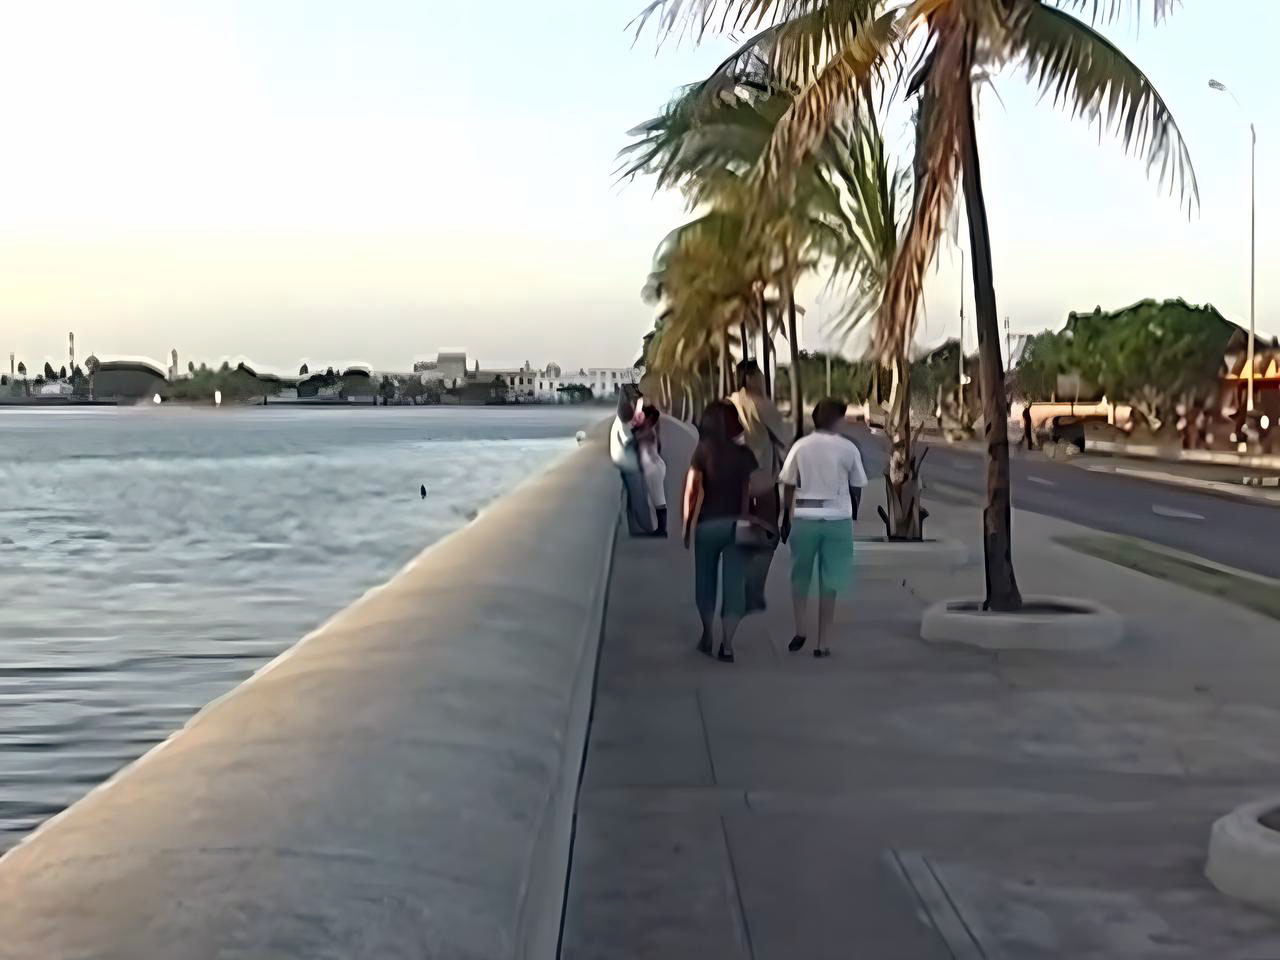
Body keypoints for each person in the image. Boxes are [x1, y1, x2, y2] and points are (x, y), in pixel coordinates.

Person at [779, 398, 868, 658]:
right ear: (837, 420)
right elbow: (857, 485)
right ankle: (823, 642)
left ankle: (800, 629)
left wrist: (786, 516)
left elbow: (788, 483)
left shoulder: (800, 446)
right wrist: (853, 513)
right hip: (837, 519)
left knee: (800, 576)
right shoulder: (848, 448)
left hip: (804, 517)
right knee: (830, 582)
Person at [682, 401, 757, 663]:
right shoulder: (745, 454)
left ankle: (707, 635)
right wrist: (747, 521)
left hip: (707, 525)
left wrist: (686, 525)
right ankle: (727, 644)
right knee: (734, 585)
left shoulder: (702, 451)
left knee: (705, 583)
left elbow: (692, 491)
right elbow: (749, 493)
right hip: (736, 525)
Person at [729, 359, 789, 612]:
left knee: (738, 536)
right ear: (751, 378)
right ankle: (753, 590)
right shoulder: (763, 405)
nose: (764, 380)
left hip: (733, 483)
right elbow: (784, 441)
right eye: (761, 376)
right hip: (762, 481)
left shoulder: (728, 404)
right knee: (768, 536)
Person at [610, 385, 653, 536]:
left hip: (623, 457)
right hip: (627, 458)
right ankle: (645, 529)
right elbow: (631, 438)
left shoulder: (623, 415)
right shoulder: (626, 418)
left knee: (634, 493)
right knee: (638, 493)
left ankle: (637, 529)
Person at [636, 404, 668, 537]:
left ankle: (662, 530)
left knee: (658, 498)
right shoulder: (649, 430)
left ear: (648, 418)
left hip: (654, 468)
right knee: (656, 498)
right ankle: (660, 529)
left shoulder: (649, 432)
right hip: (654, 466)